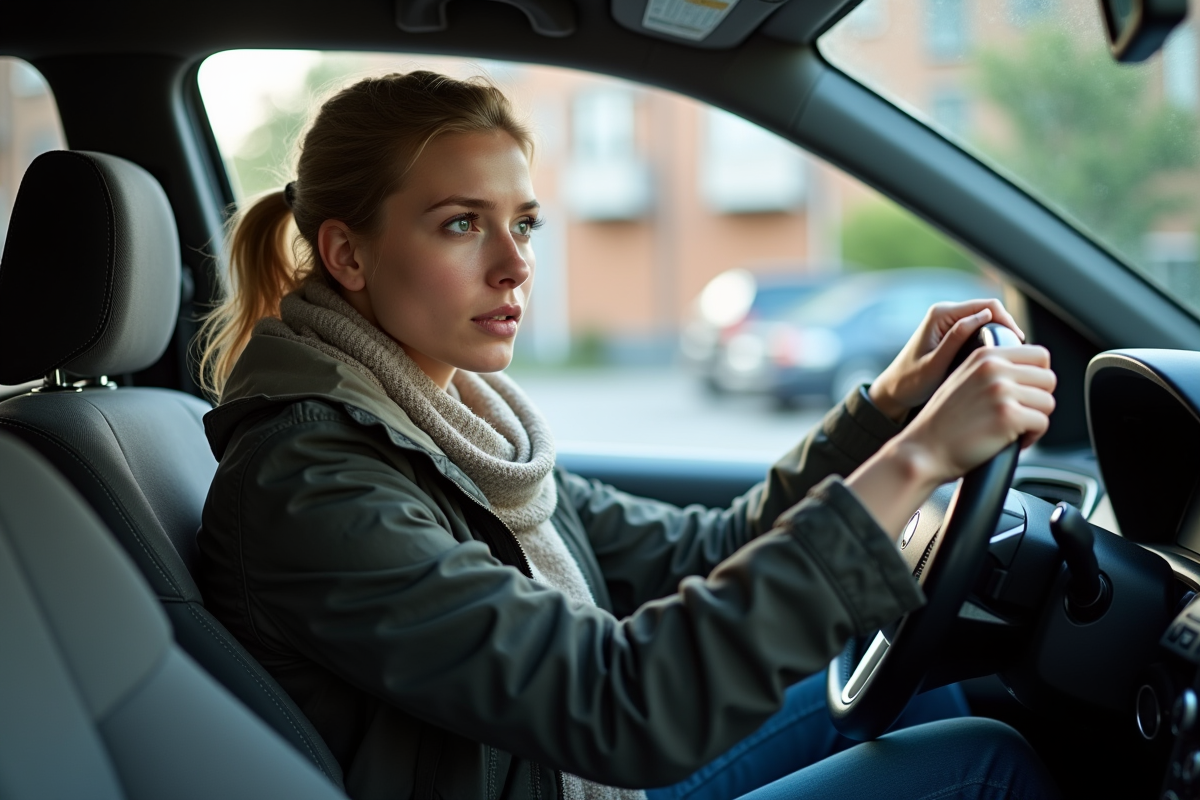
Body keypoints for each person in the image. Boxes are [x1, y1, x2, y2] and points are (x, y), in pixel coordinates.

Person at [195, 71, 1060, 800]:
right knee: (988, 763)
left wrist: (884, 410)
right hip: (583, 763)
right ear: (347, 256)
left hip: (567, 773)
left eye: (524, 222)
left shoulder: (467, 435)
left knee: (920, 688)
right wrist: (919, 460)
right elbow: (621, 707)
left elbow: (705, 549)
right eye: (463, 223)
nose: (515, 262)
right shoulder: (312, 483)